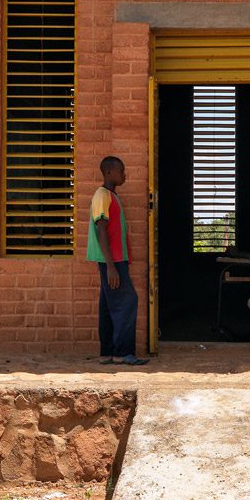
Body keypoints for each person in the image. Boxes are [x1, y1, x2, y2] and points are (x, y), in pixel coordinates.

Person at [89, 154, 145, 365]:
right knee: (128, 301)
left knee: (107, 306)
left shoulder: (111, 196)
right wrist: (111, 266)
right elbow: (101, 229)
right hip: (112, 261)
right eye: (121, 171)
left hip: (114, 260)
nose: (124, 175)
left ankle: (107, 353)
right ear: (108, 173)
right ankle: (123, 353)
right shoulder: (102, 195)